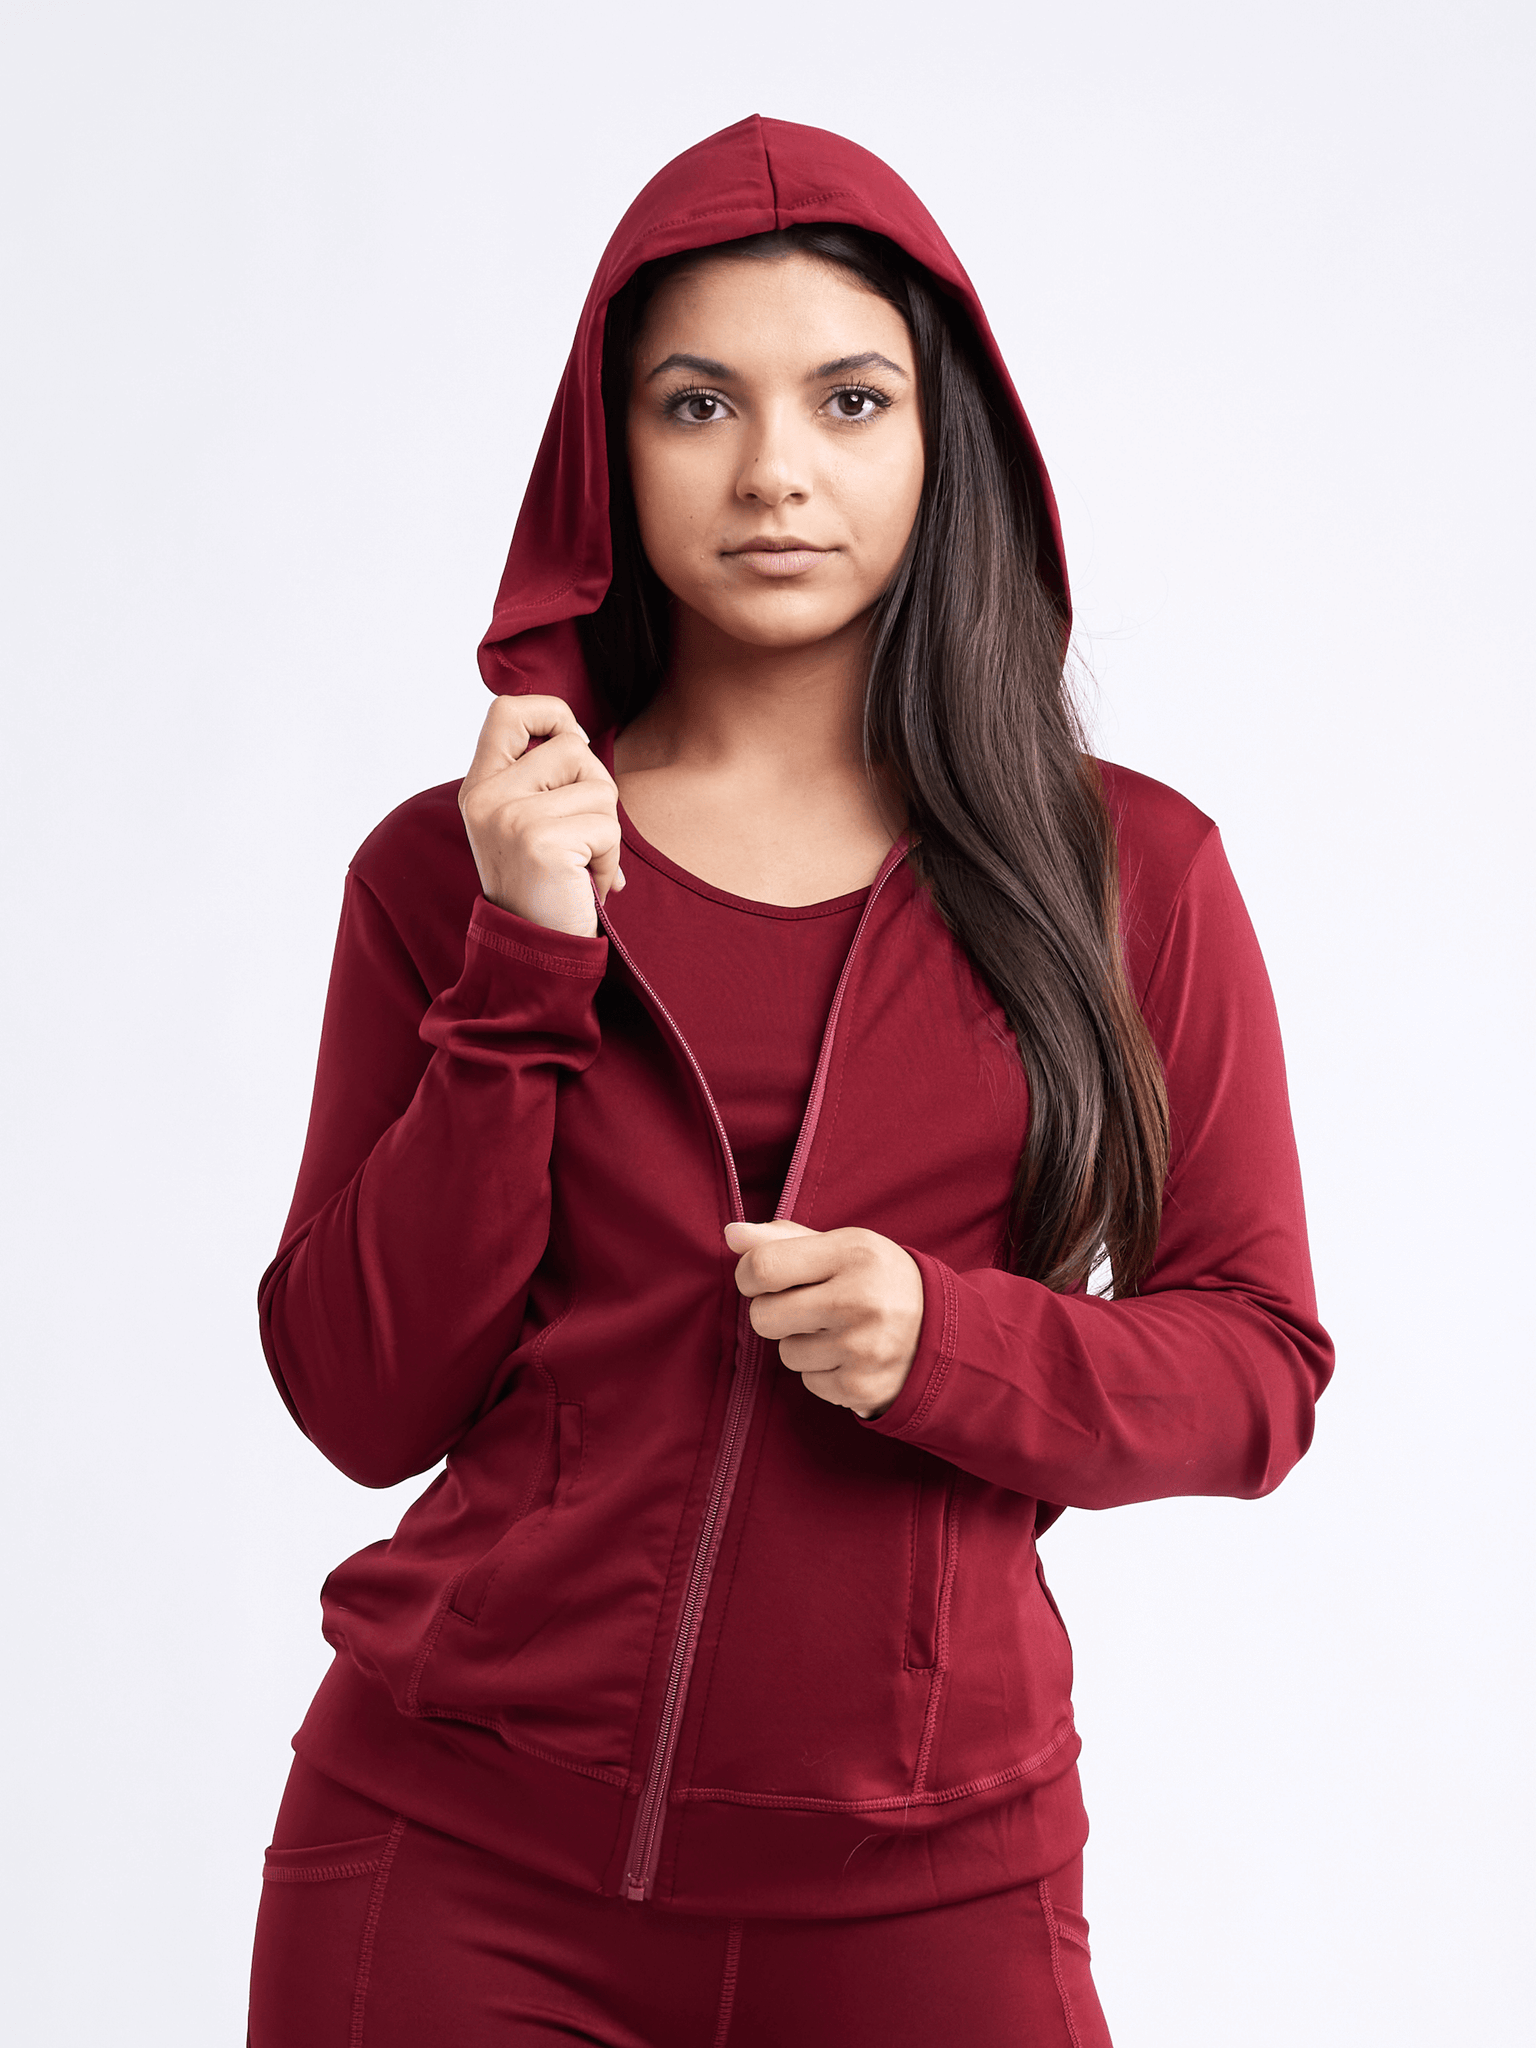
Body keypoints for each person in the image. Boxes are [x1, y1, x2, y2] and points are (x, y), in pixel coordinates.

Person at [248, 115, 1333, 2047]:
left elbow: (1257, 1371)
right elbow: (359, 1394)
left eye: (848, 400)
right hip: (452, 1866)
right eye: (697, 404)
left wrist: (950, 1344)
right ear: (607, 454)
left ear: (939, 439)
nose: (774, 471)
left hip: (935, 1891)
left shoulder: (1128, 874)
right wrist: (522, 963)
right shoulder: (451, 868)